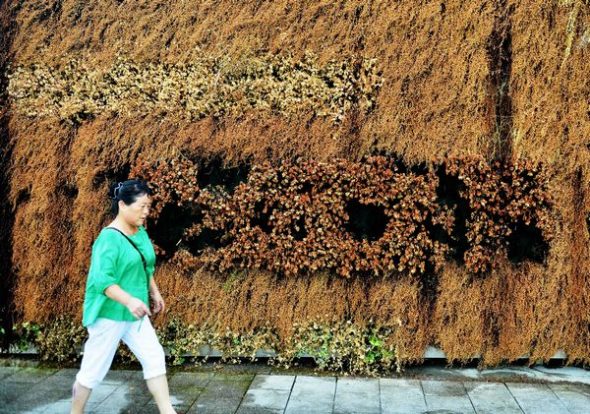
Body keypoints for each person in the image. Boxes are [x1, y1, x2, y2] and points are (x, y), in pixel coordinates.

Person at [71, 180, 176, 414]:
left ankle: (167, 411)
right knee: (92, 371)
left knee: (154, 357)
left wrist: (154, 293)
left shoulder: (140, 233)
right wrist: (129, 300)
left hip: (135, 314)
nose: (146, 212)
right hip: (109, 314)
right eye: (141, 207)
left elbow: (145, 266)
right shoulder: (108, 239)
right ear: (122, 205)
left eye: (148, 206)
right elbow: (103, 281)